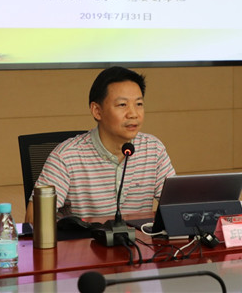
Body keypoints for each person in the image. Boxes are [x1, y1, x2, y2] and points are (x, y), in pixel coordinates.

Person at [25, 66, 175, 223]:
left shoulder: (153, 149)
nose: (133, 114)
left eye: (139, 104)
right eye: (122, 105)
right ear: (97, 111)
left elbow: (178, 206)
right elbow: (32, 219)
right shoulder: (66, 157)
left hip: (138, 239)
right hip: (84, 239)